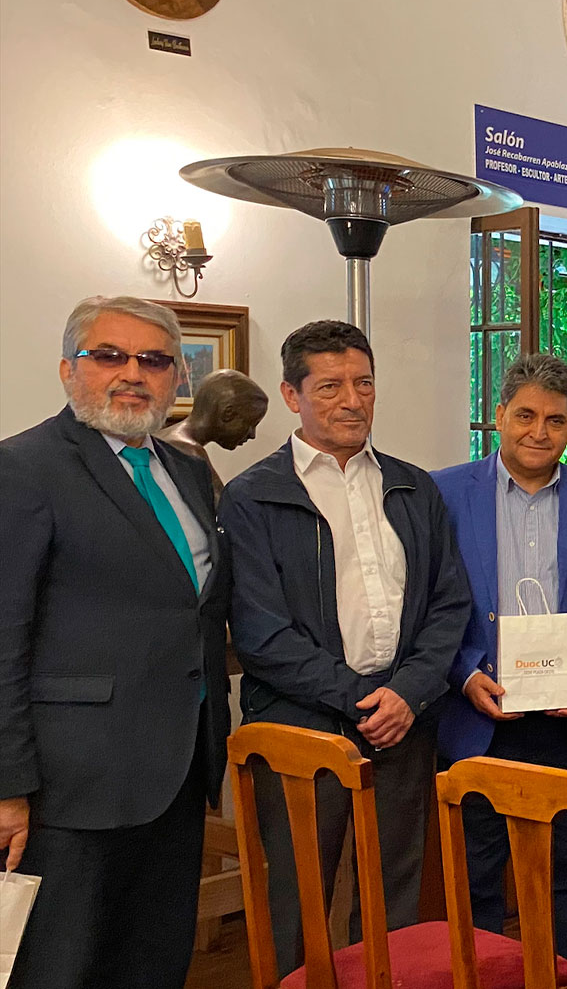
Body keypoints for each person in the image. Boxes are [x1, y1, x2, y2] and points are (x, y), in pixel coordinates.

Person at [221, 320, 471, 976]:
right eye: (330, 386)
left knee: (396, 904)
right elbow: (260, 632)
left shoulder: (415, 487)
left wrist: (407, 692)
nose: (352, 400)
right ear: (292, 395)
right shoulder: (252, 496)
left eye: (364, 383)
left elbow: (449, 605)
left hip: (403, 725)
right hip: (300, 731)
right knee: (297, 901)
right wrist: (364, 697)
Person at [0, 296, 231, 989]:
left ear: (176, 378)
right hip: (70, 785)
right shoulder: (23, 468)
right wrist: (7, 785)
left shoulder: (186, 471)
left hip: (177, 770)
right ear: (68, 369)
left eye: (154, 360)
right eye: (109, 355)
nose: (133, 373)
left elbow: (192, 607)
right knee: (60, 966)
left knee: (153, 961)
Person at [433, 353, 567, 984]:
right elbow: (423, 598)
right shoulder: (443, 492)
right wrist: (463, 673)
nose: (539, 431)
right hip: (478, 713)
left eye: (556, 420)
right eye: (525, 415)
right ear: (499, 414)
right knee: (476, 869)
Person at [158, 367, 271, 498]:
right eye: (250, 424)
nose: (252, 435)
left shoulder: (164, 436)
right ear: (228, 413)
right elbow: (224, 507)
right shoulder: (187, 450)